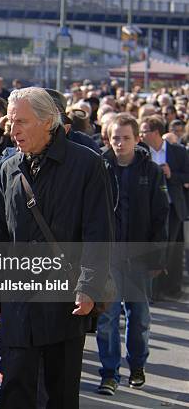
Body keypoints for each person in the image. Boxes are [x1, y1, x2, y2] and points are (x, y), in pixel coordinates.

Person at [0, 87, 114, 409]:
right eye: (10, 122)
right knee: (14, 391)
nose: (13, 130)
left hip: (64, 301)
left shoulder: (87, 164)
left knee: (60, 394)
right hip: (17, 303)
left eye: (22, 122)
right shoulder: (9, 168)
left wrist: (89, 287)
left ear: (48, 122)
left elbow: (99, 233)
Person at [96, 114, 169, 396]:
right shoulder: (100, 167)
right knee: (107, 318)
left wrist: (156, 257)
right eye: (115, 137)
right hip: (108, 257)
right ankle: (109, 373)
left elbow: (160, 217)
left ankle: (137, 365)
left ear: (137, 138)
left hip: (139, 257)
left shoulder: (149, 171)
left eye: (126, 137)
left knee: (139, 317)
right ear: (108, 137)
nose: (120, 143)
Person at [140, 115, 189, 300]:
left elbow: (187, 176)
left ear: (155, 133)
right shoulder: (141, 151)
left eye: (144, 131)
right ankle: (154, 290)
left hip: (172, 206)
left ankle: (171, 288)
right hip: (150, 207)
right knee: (155, 247)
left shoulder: (178, 151)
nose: (141, 134)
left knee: (172, 248)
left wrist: (171, 174)